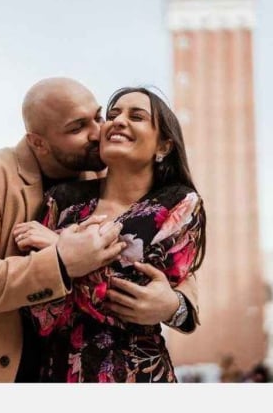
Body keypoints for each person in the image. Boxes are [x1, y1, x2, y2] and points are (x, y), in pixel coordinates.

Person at [0, 77, 199, 382]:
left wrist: (174, 307)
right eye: (77, 128)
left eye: (99, 117)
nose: (98, 132)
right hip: (2, 371)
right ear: (38, 143)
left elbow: (173, 262)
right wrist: (61, 261)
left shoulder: (112, 169)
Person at [15, 87, 206, 381]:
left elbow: (132, 301)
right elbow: (39, 310)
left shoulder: (178, 204)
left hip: (137, 375)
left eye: (137, 116)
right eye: (113, 114)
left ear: (164, 146)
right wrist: (65, 269)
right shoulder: (62, 199)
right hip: (54, 375)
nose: (118, 121)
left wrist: (60, 251)